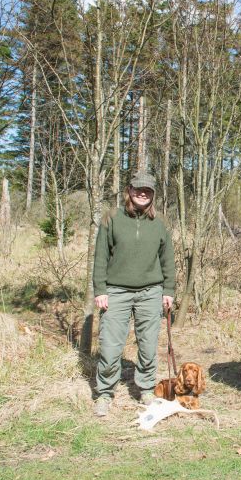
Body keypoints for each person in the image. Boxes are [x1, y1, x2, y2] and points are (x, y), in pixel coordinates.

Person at [91, 171, 176, 417]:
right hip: (116, 291)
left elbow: (167, 259)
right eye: (138, 189)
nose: (142, 193)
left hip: (151, 292)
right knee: (109, 346)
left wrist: (168, 290)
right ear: (129, 190)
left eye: (147, 190)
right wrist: (100, 290)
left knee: (148, 345)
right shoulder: (112, 218)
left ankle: (147, 389)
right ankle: (105, 393)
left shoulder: (159, 222)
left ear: (153, 195)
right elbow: (100, 257)